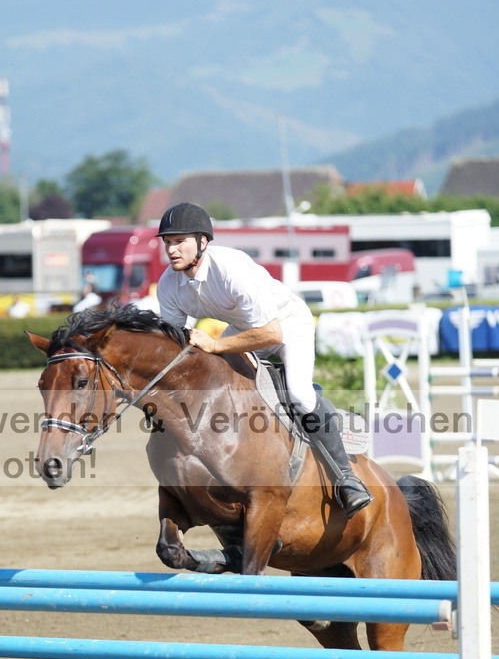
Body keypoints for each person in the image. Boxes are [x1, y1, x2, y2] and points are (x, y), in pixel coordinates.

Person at [155, 202, 373, 517]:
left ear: (202, 241)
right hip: (244, 330)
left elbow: (270, 334)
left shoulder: (229, 269)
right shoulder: (169, 285)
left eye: (179, 241)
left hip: (287, 324)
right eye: (168, 243)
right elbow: (176, 344)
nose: (172, 250)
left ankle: (346, 477)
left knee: (298, 392)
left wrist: (216, 346)